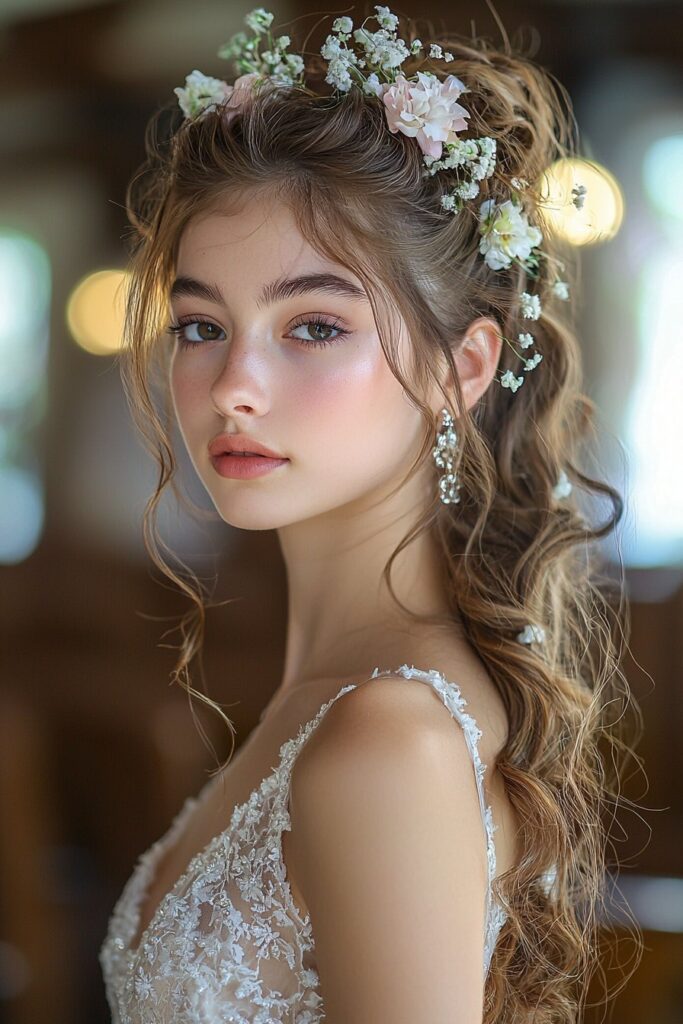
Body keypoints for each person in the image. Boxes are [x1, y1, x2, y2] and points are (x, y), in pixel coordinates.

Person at [99, 6, 640, 1022]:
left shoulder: (386, 737)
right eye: (202, 325)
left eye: (312, 325)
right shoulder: (338, 698)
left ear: (458, 366)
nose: (233, 386)